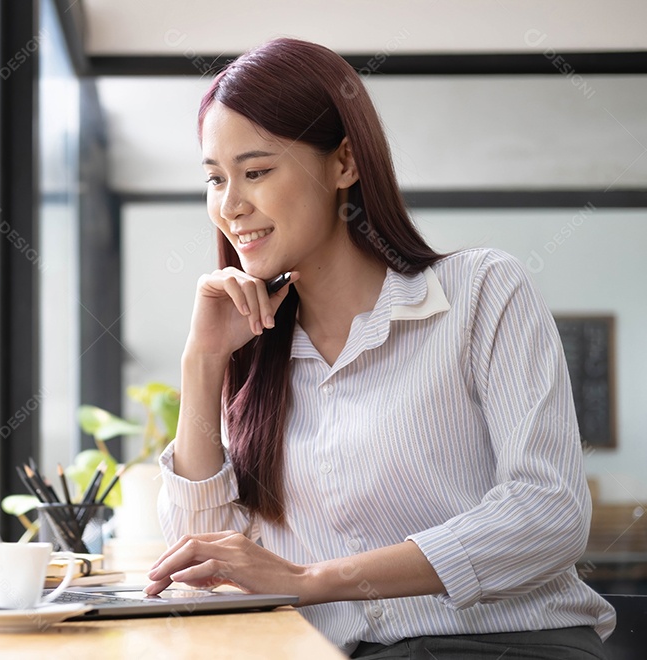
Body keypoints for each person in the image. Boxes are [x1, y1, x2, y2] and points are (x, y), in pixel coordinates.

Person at [144, 38, 616, 659]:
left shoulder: (479, 293)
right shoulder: (256, 351)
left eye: (256, 172)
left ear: (343, 164)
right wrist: (203, 363)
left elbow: (549, 512)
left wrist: (311, 582)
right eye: (214, 179)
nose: (230, 208)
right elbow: (205, 568)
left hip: (503, 645)